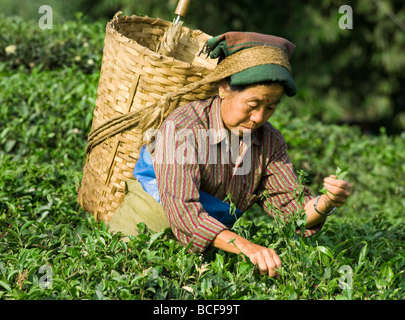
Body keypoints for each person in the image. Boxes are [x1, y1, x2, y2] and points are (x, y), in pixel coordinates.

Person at [108, 32, 351, 278]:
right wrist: (247, 247)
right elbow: (183, 211)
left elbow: (292, 212)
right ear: (224, 88)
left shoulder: (269, 141)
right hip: (135, 244)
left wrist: (326, 203)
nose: (259, 118)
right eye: (252, 104)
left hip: (196, 259)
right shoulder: (183, 128)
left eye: (271, 107)